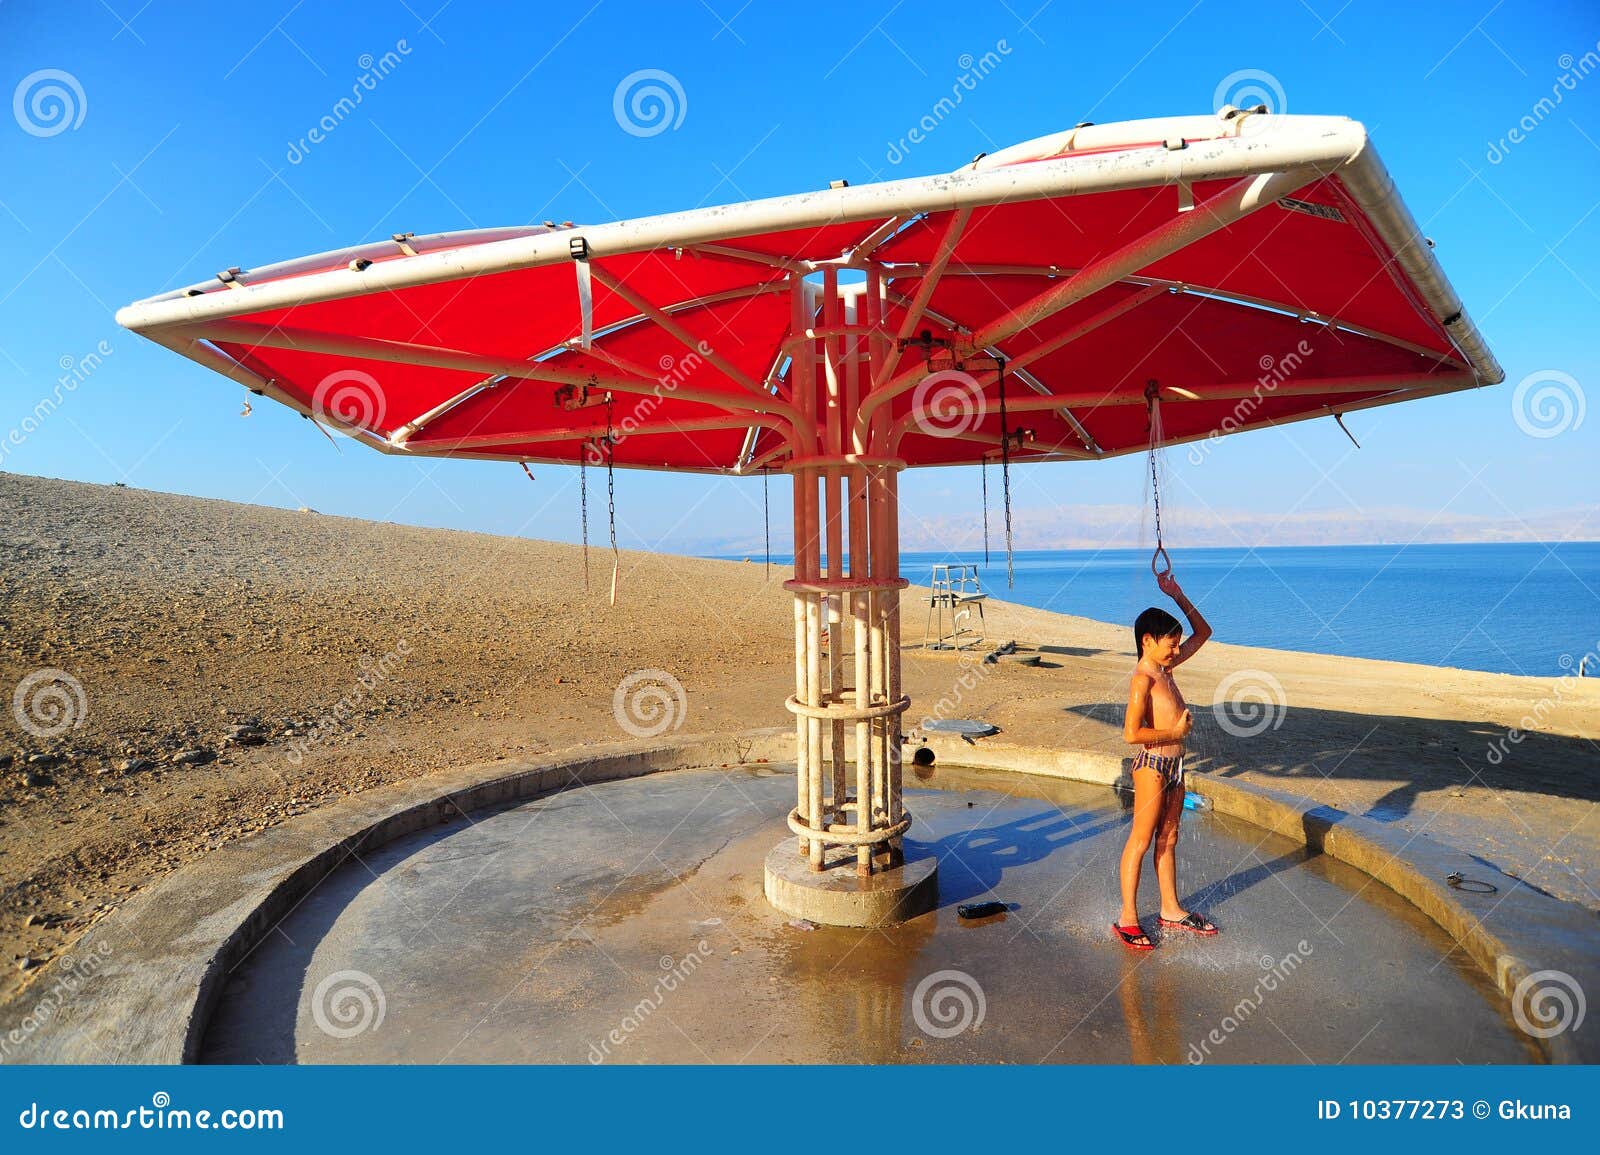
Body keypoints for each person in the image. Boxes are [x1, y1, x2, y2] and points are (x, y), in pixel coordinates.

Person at [1113, 571, 1217, 950]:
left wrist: (1176, 593)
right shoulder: (1143, 679)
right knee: (1141, 840)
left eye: (1176, 645)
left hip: (1175, 767)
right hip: (1152, 766)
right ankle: (1127, 917)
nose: (1177, 650)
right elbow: (1131, 734)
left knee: (1169, 838)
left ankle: (1170, 908)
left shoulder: (1165, 668)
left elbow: (1204, 632)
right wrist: (1173, 734)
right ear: (1148, 641)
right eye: (1171, 644)